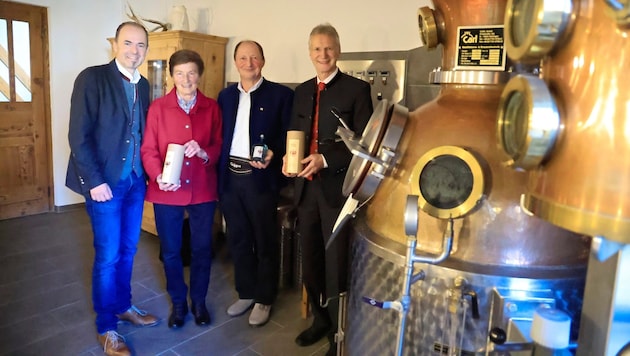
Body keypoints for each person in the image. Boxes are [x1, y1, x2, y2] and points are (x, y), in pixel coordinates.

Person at [66, 21, 159, 356]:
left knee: (129, 249)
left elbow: (142, 132)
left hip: (135, 182)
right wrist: (94, 181)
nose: (134, 51)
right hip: (104, 184)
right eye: (128, 43)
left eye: (141, 46)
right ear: (115, 45)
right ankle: (107, 327)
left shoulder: (145, 84)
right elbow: (78, 135)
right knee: (107, 256)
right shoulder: (92, 78)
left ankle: (123, 306)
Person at [281, 24, 373, 356]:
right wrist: (288, 161)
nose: (323, 55)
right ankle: (320, 320)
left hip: (338, 190)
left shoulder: (357, 90)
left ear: (338, 50)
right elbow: (295, 133)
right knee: (312, 260)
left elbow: (363, 143)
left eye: (329, 48)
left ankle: (339, 331)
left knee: (337, 264)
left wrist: (324, 158)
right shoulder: (302, 90)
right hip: (304, 190)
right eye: (317, 49)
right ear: (310, 52)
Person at [140, 49, 222, 329]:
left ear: (199, 74)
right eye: (179, 73)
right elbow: (148, 149)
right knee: (171, 250)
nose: (186, 79)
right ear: (171, 76)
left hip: (202, 189)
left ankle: (199, 301)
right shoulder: (158, 108)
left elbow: (218, 146)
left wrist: (203, 152)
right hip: (167, 190)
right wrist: (157, 175)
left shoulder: (211, 107)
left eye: (191, 73)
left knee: (201, 249)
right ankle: (178, 303)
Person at [217, 40, 294, 327]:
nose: (248, 63)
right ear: (235, 61)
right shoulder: (224, 96)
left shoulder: (281, 95)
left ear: (263, 60)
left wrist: (275, 151)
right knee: (237, 238)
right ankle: (246, 292)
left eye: (254, 57)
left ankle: (265, 298)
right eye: (243, 58)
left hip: (259, 179)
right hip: (229, 179)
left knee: (264, 239)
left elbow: (289, 134)